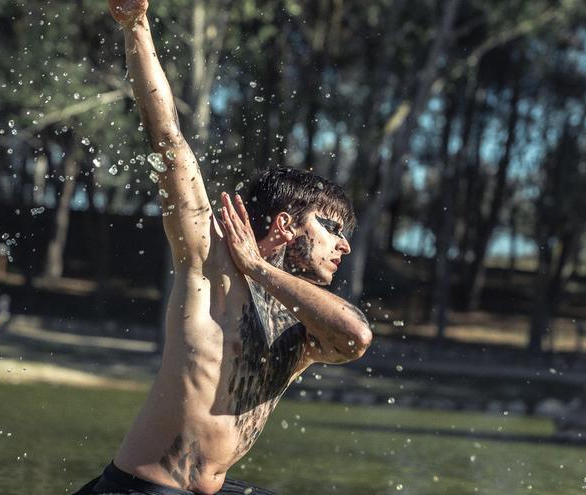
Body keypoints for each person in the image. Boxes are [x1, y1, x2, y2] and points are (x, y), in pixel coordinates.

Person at [74, 2, 373, 494]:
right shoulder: (210, 265)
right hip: (145, 489)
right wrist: (136, 26)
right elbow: (168, 141)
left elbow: (356, 337)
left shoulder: (302, 327)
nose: (342, 245)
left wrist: (261, 269)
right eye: (331, 228)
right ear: (286, 224)